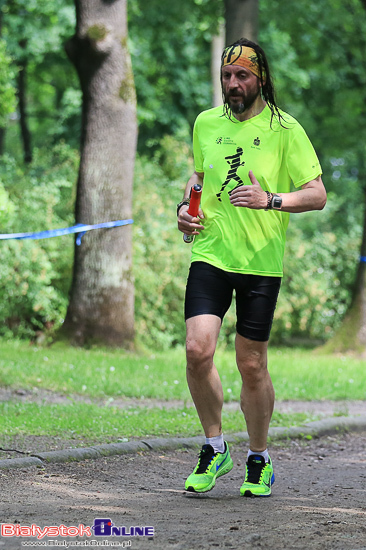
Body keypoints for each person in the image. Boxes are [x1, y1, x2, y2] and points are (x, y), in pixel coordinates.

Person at [177, 38, 326, 497]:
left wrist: (272, 200)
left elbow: (317, 193)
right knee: (197, 351)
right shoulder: (206, 123)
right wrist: (185, 207)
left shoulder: (285, 129)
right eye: (227, 76)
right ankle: (214, 445)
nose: (232, 84)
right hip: (211, 254)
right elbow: (199, 177)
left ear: (260, 78)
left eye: (242, 76)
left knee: (251, 364)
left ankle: (258, 458)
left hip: (260, 263)